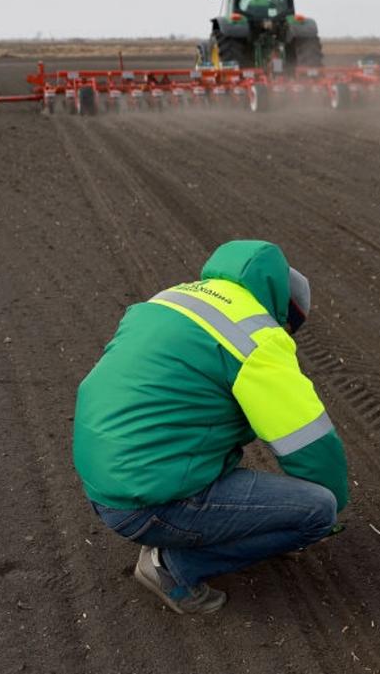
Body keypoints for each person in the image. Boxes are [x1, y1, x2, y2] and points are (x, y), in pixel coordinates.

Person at [73, 240, 349, 614]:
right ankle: (174, 567)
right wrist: (332, 510)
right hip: (147, 501)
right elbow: (308, 444)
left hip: (104, 481)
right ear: (282, 306)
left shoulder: (170, 300)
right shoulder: (257, 337)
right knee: (318, 509)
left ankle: (182, 531)